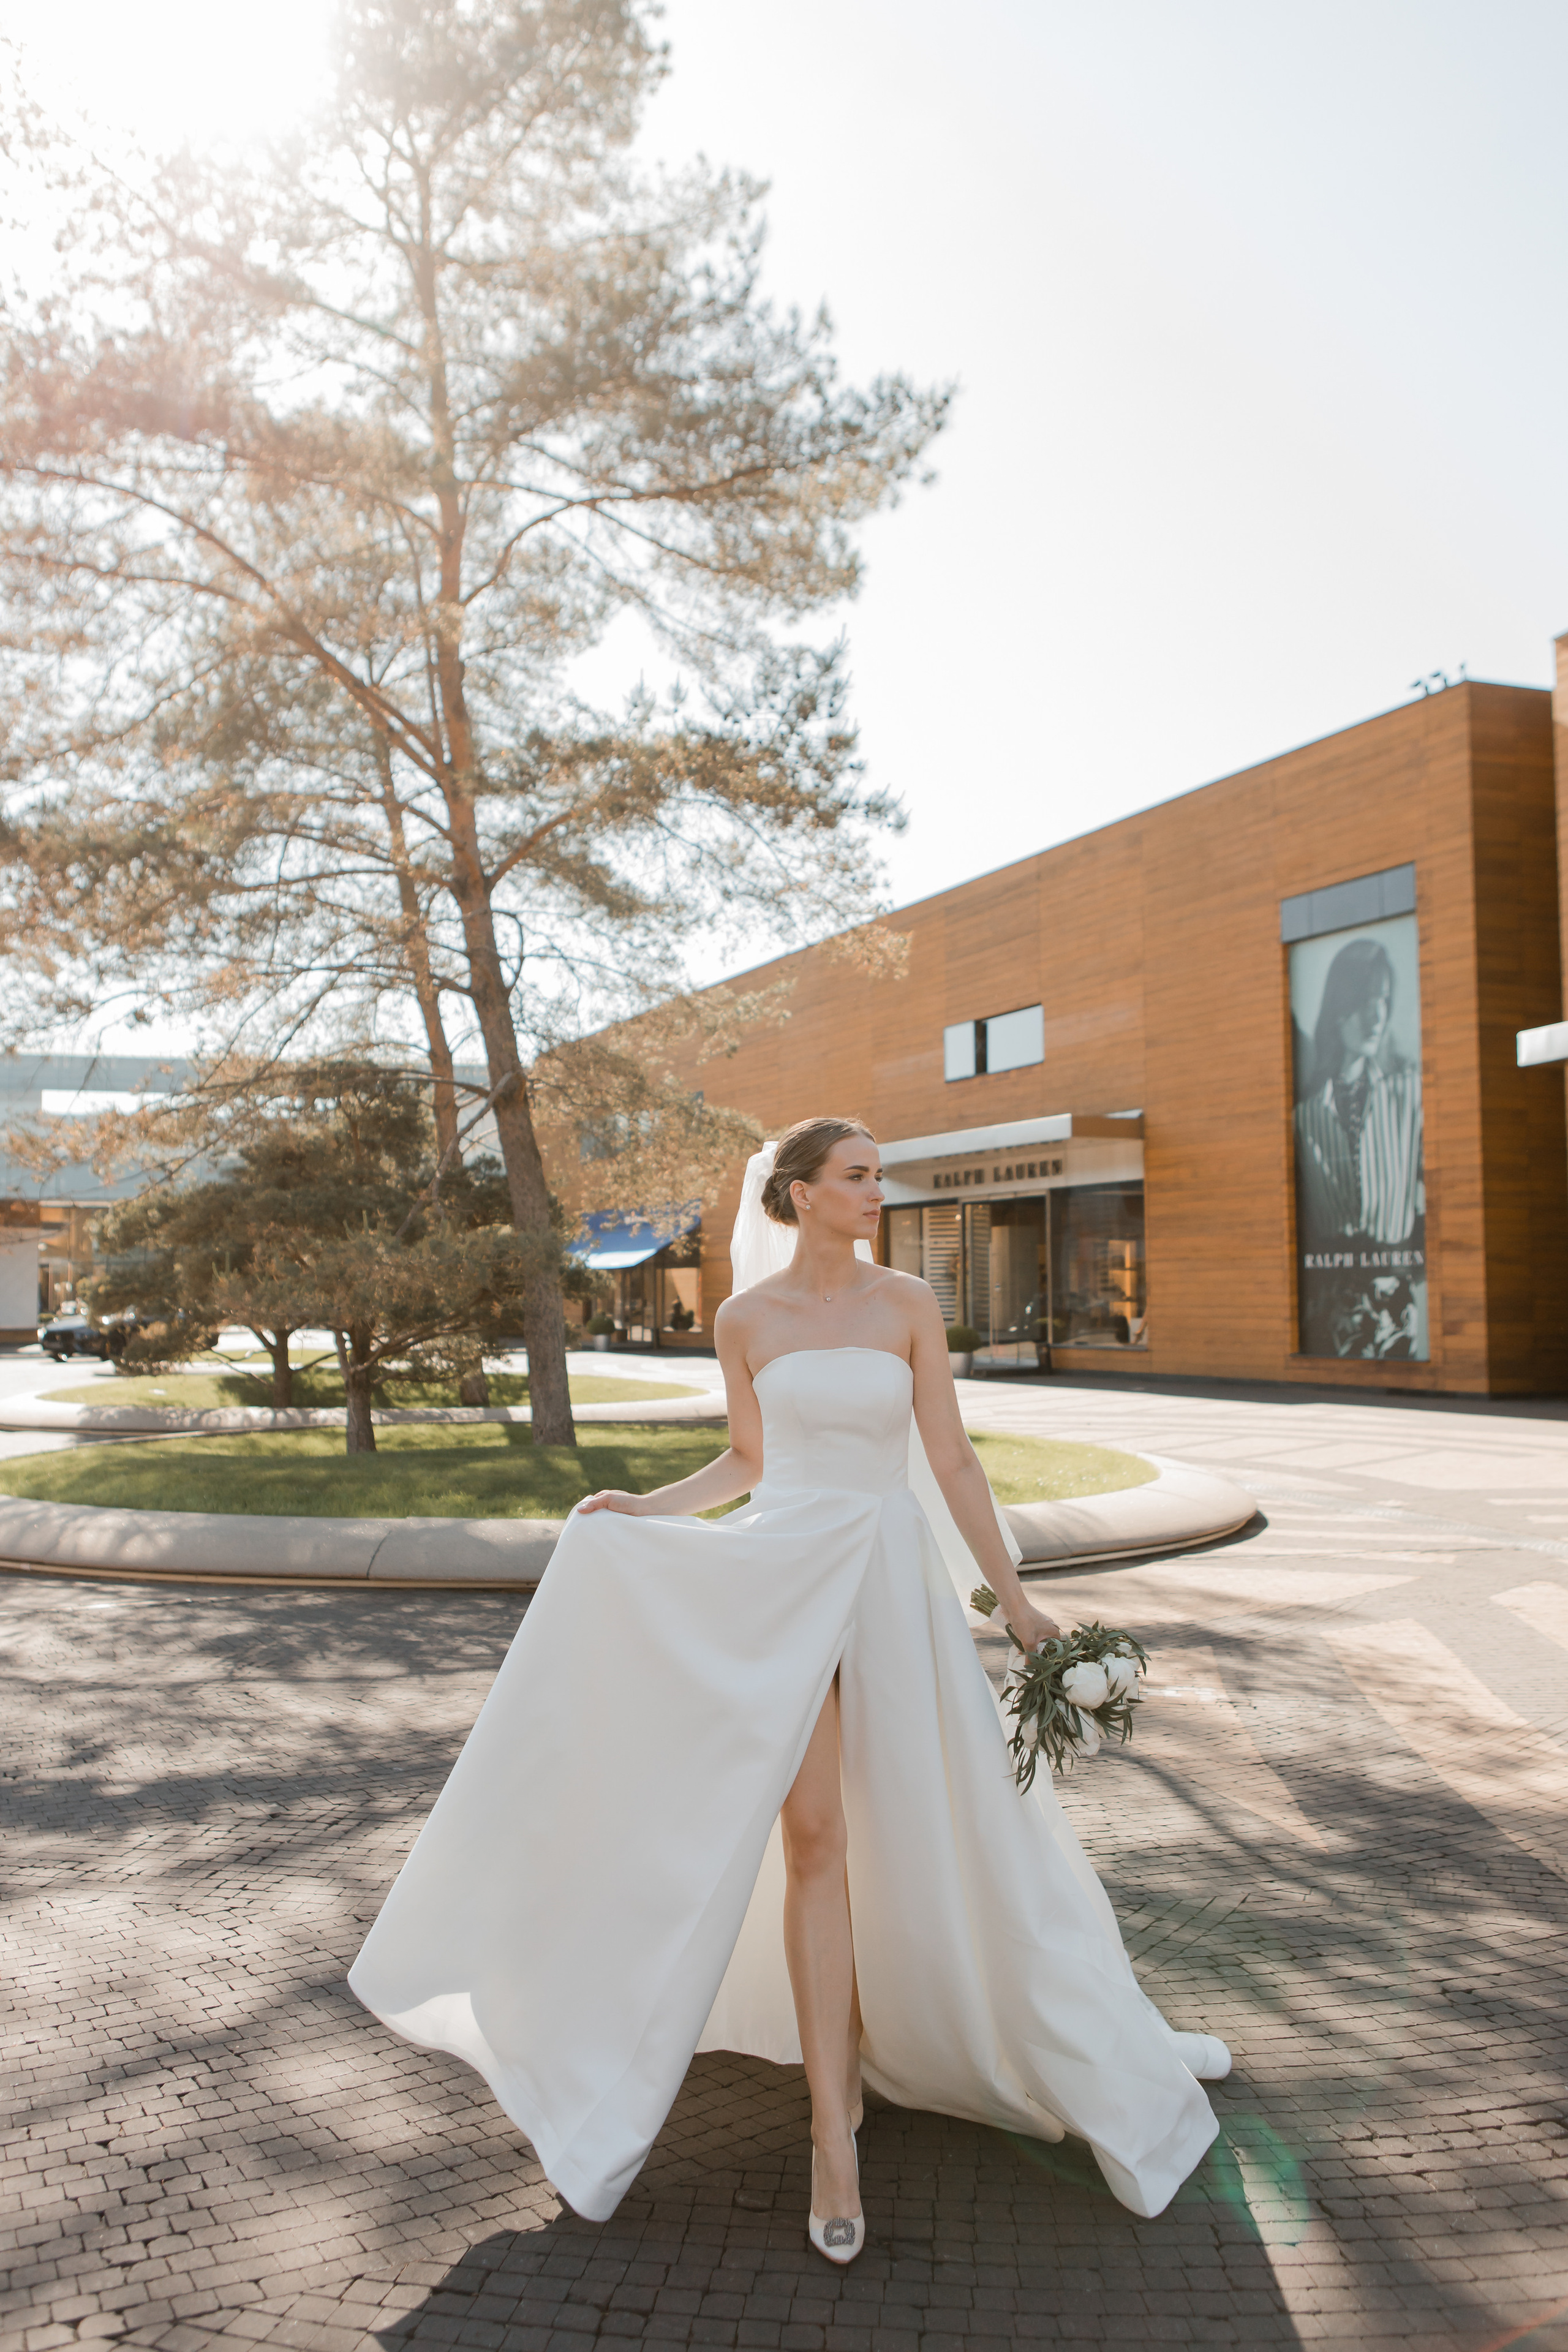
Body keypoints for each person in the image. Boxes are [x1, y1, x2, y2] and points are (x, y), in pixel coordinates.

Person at [349, 1118, 1228, 2263]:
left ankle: (966, 2023)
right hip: (779, 1584)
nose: (878, 1191)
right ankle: (833, 2132)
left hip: (889, 1584)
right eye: (858, 1177)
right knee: (813, 1837)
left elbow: (953, 1462)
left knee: (929, 1825)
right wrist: (641, 1510)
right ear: (802, 1195)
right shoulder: (743, 1319)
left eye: (876, 1175)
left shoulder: (909, 1303)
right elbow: (750, 1463)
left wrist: (1017, 1605)